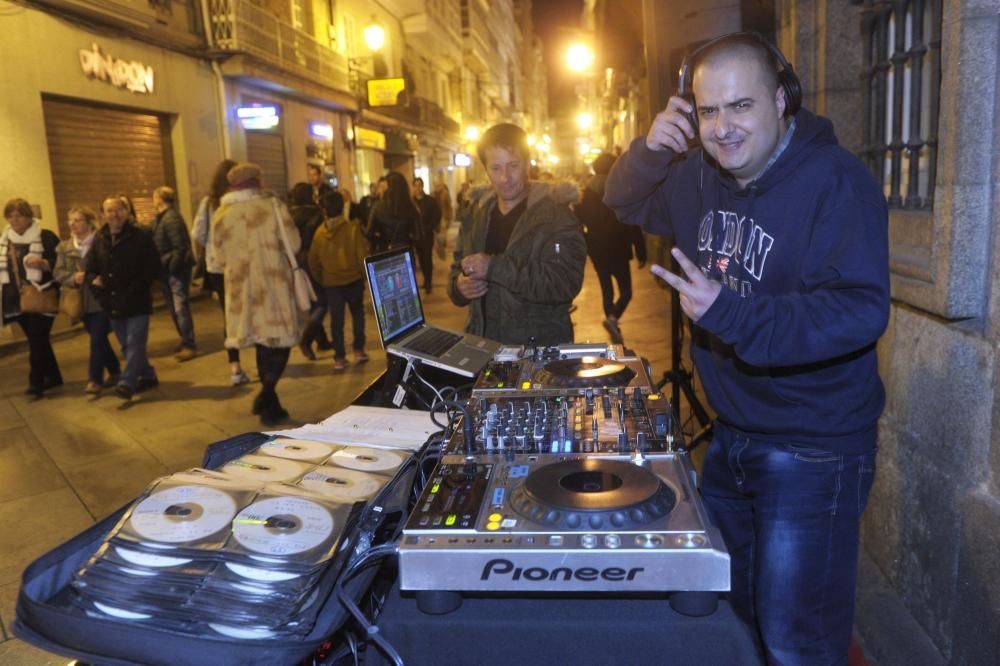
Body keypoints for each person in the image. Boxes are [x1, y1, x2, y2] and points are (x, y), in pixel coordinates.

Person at [603, 33, 890, 664]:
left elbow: (859, 309)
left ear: (782, 98)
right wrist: (652, 148)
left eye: (741, 106)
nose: (723, 128)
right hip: (732, 436)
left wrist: (731, 313)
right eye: (708, 111)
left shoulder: (836, 181)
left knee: (797, 639)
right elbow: (622, 200)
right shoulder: (695, 176)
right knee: (731, 615)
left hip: (813, 448)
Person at [447, 123, 587, 346]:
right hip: (482, 348)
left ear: (527, 163)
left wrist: (493, 267)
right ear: (486, 170)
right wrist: (459, 287)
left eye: (513, 165)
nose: (505, 177)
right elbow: (456, 270)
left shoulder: (556, 216)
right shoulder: (476, 214)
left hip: (537, 350)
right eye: (496, 168)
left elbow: (564, 283)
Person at [208, 162, 302, 426]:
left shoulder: (222, 214)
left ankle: (268, 400)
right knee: (279, 343)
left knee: (262, 344)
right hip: (273, 287)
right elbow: (293, 244)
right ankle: (268, 394)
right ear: (257, 181)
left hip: (241, 291)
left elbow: (217, 258)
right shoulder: (273, 206)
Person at [85, 196, 161, 400]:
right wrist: (97, 287)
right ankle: (148, 375)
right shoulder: (99, 239)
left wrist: (137, 288)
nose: (114, 214)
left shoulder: (141, 235)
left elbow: (152, 267)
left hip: (136, 300)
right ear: (103, 214)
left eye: (119, 209)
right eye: (109, 210)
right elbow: (90, 269)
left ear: (127, 212)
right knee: (127, 346)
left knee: (135, 343)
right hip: (112, 302)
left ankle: (127, 383)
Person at [576, 152, 647, 344]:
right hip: (618, 247)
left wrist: (587, 240)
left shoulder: (587, 194)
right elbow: (632, 222)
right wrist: (641, 251)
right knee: (626, 291)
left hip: (597, 249)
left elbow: (578, 220)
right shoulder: (620, 190)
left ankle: (612, 320)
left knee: (607, 289)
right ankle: (613, 319)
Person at [192, 158, 250, 386]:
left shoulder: (209, 203)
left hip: (216, 266)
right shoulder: (241, 201)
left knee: (228, 314)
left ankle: (235, 365)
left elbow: (197, 233)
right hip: (241, 264)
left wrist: (211, 247)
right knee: (247, 308)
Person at [54, 206, 120, 394]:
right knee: (97, 338)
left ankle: (95, 379)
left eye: (77, 220)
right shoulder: (65, 247)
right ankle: (115, 371)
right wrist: (73, 278)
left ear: (89, 223)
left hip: (100, 297)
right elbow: (58, 273)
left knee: (97, 337)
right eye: (71, 220)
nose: (72, 224)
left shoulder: (102, 242)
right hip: (79, 300)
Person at [1, 198, 63, 397]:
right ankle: (53, 376)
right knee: (38, 340)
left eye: (18, 215)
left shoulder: (45, 236)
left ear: (28, 216)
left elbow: (63, 262)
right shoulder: (5, 240)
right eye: (10, 216)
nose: (14, 220)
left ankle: (35, 382)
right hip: (15, 298)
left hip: (42, 294)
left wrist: (45, 263)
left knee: (37, 339)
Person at [308, 190, 370, 372]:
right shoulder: (352, 229)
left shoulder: (319, 233)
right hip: (353, 281)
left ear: (325, 211)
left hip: (332, 284)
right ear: (342, 208)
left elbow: (313, 261)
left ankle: (339, 357)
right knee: (358, 315)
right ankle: (359, 350)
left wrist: (323, 278)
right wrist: (363, 275)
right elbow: (362, 256)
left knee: (337, 321)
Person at [151, 186, 197, 361]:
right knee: (175, 308)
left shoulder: (171, 219)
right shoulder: (162, 218)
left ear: (159, 199)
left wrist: (171, 269)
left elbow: (180, 248)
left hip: (175, 271)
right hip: (167, 270)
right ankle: (184, 339)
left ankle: (189, 343)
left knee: (180, 308)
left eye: (154, 197)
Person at [288, 181, 332, 360]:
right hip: (313, 260)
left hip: (295, 262)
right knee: (322, 301)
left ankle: (322, 340)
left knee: (312, 301)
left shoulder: (289, 215)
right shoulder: (317, 214)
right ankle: (306, 339)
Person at [366, 172, 418, 253]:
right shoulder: (411, 207)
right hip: (405, 252)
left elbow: (369, 233)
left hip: (385, 252)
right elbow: (418, 236)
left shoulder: (378, 207)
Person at [411, 176, 442, 293]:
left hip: (427, 235)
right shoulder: (411, 202)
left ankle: (429, 281)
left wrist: (430, 227)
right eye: (415, 186)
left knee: (427, 258)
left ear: (422, 186)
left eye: (419, 185)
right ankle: (425, 279)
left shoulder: (430, 201)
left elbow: (437, 214)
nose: (418, 188)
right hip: (416, 236)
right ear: (413, 187)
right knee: (421, 259)